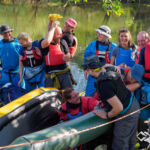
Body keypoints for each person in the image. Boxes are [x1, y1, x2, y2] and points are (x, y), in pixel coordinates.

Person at [83, 55, 140, 150]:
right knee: (130, 140)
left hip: (126, 113)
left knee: (120, 143)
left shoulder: (104, 85)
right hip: (133, 103)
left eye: (87, 70)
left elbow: (118, 108)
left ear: (92, 71)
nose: (86, 71)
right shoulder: (110, 68)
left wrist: (106, 115)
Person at [39, 21, 76, 89]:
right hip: (51, 76)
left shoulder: (63, 42)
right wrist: (52, 28)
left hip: (64, 73)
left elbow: (68, 55)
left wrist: (68, 57)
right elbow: (47, 41)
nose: (61, 36)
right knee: (52, 97)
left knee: (69, 94)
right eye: (58, 34)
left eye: (61, 34)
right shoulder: (43, 43)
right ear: (52, 34)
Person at [83, 25, 116, 96]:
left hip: (107, 78)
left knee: (105, 97)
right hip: (93, 76)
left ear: (106, 36)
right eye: (97, 33)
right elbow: (86, 57)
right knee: (89, 96)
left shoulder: (114, 47)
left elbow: (117, 64)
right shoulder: (92, 45)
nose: (98, 35)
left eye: (100, 33)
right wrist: (85, 69)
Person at [137, 42, 150, 149]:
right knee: (143, 120)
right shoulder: (143, 50)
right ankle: (144, 145)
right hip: (146, 89)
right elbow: (140, 69)